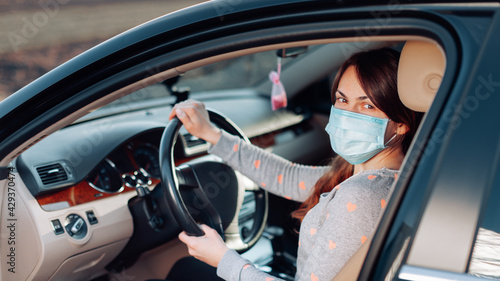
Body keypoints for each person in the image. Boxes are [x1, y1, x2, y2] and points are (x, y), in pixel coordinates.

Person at [168, 47, 424, 281]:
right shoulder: (383, 177)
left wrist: (223, 258)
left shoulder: (361, 196)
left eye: (367, 105)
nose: (348, 115)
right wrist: (213, 134)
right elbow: (287, 176)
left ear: (401, 123)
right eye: (342, 100)